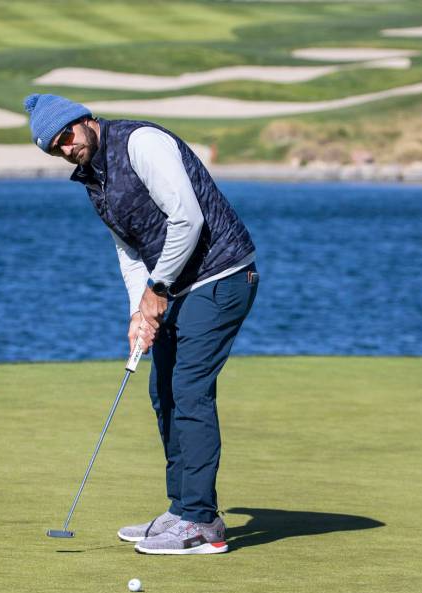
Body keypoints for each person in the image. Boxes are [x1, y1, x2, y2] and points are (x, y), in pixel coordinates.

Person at [25, 94, 259, 555]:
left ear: (84, 120)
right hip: (175, 286)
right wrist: (139, 308)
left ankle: (201, 523)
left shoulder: (141, 143)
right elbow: (130, 251)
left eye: (67, 137)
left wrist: (158, 287)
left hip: (223, 274)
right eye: (55, 149)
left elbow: (187, 219)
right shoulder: (93, 180)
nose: (66, 149)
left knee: (190, 389)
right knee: (164, 392)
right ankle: (183, 510)